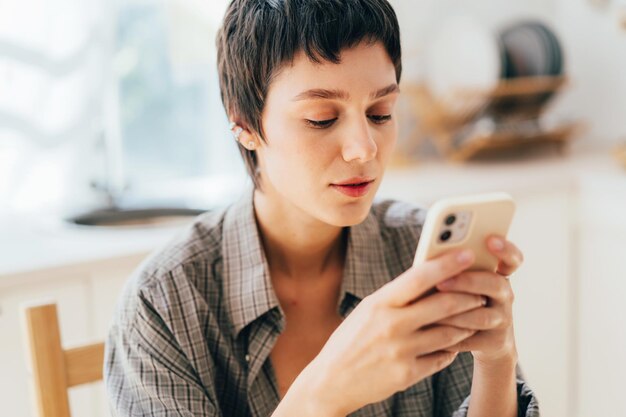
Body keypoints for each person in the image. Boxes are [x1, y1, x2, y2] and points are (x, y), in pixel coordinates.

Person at [104, 0, 540, 416]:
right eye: (321, 118)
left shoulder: (417, 254)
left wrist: (497, 359)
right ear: (243, 123)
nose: (363, 149)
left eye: (381, 112)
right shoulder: (163, 304)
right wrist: (322, 396)